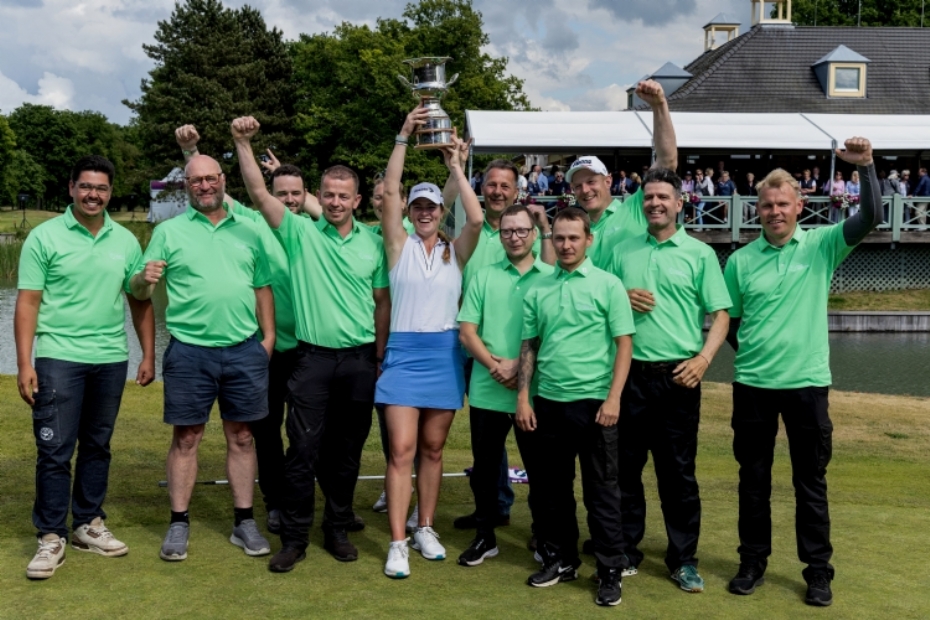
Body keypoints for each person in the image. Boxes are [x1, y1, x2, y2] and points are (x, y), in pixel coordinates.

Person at [723, 138, 881, 607]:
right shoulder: (740, 261)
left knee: (810, 484)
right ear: (758, 210)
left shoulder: (822, 245)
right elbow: (730, 324)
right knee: (753, 483)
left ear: (799, 206)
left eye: (782, 204)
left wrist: (866, 166)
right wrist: (758, 353)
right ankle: (752, 562)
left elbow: (871, 217)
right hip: (753, 387)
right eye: (767, 205)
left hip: (807, 387)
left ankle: (817, 571)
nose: (774, 212)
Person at [229, 117, 390, 571]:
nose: (336, 202)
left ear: (356, 200)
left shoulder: (373, 245)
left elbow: (382, 304)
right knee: (301, 449)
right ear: (319, 195)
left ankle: (336, 528)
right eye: (329, 194)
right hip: (312, 359)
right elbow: (259, 193)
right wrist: (243, 143)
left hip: (359, 361)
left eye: (344, 196)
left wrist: (379, 357)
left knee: (347, 452)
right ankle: (295, 537)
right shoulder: (299, 234)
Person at [174, 125, 320, 536]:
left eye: (296, 193)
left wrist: (295, 186)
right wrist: (191, 150)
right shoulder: (251, 222)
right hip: (266, 350)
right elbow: (208, 187)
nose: (288, 200)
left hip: (311, 349)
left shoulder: (318, 231)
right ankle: (274, 503)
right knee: (265, 432)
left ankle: (319, 504)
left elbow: (330, 206)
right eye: (281, 193)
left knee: (309, 433)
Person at [15, 155, 155, 580]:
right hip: (58, 356)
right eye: (86, 186)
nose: (93, 194)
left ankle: (87, 525)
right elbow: (28, 303)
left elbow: (139, 299)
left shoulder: (125, 240)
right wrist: (24, 362)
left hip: (110, 357)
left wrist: (149, 354)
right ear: (72, 188)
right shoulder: (44, 237)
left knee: (97, 445)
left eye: (102, 188)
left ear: (110, 192)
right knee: (55, 449)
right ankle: (51, 535)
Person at [131, 154, 274, 563]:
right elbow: (140, 291)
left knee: (242, 437)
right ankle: (179, 522)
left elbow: (262, 286)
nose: (205, 186)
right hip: (190, 351)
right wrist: (143, 280)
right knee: (187, 437)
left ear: (223, 180)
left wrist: (267, 338)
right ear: (187, 186)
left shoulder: (249, 229)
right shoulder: (168, 232)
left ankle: (244, 521)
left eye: (211, 178)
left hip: (243, 349)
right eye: (196, 181)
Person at [606, 168, 731, 594]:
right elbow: (598, 297)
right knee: (625, 470)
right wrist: (620, 297)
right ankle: (626, 551)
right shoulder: (622, 250)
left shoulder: (699, 254)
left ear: (679, 203)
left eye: (663, 197)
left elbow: (721, 315)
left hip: (679, 378)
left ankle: (683, 560)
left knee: (678, 474)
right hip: (630, 375)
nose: (655, 203)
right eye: (648, 197)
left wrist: (704, 358)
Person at [377, 106, 484, 579]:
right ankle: (397, 542)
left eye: (431, 207)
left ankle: (424, 527)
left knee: (434, 451)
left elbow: (477, 220)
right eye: (417, 207)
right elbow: (390, 190)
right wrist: (403, 135)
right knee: (401, 450)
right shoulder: (397, 245)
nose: (424, 212)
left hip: (444, 355)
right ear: (409, 212)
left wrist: (456, 167)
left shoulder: (454, 251)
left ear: (441, 212)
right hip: (403, 356)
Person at [516, 207, 635, 607]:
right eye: (560, 238)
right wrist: (523, 397)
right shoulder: (539, 288)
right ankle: (563, 559)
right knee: (553, 491)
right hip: (549, 403)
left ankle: (610, 570)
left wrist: (614, 397)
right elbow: (529, 345)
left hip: (596, 404)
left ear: (588, 240)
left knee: (602, 492)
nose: (566, 245)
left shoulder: (608, 285)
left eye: (573, 238)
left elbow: (624, 344)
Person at [443, 152, 555, 537]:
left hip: (527, 358)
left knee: (534, 449)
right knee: (487, 444)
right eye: (491, 184)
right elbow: (442, 208)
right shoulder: (470, 229)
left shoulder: (527, 232)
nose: (497, 191)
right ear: (481, 187)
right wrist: (454, 168)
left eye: (505, 185)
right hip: (475, 348)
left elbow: (550, 278)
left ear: (516, 190)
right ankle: (491, 512)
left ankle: (541, 527)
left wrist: (517, 364)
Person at [564, 79, 678, 269]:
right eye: (578, 185)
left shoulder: (634, 207)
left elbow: (667, 161)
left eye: (591, 181)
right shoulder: (577, 230)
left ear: (608, 181)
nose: (585, 190)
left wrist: (659, 106)